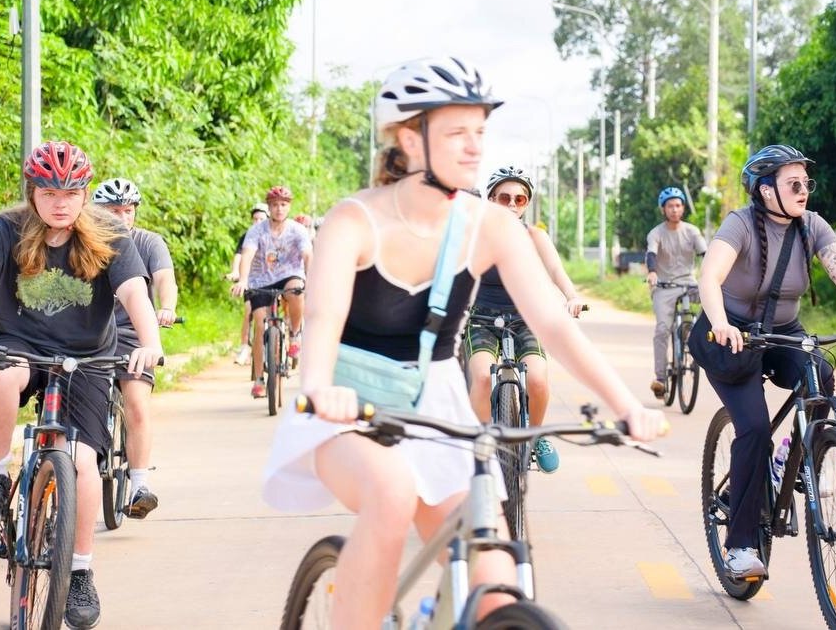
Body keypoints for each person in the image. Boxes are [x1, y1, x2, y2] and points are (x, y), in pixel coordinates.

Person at [262, 57, 665, 629]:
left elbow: (552, 324)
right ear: (410, 139)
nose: (475, 146)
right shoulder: (354, 220)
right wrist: (319, 389)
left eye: (480, 130)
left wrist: (626, 406)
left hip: (436, 402)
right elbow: (323, 319)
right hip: (346, 404)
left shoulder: (491, 225)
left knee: (497, 581)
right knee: (392, 490)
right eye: (457, 132)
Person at [0, 141, 163, 629]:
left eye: (72, 191)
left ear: (83, 194)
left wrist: (150, 340)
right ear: (33, 192)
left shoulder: (109, 234)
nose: (61, 201)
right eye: (50, 191)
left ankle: (79, 573)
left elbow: (134, 292)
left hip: (87, 358)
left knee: (80, 462)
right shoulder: (5, 230)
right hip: (18, 343)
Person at [694, 144, 836, 579]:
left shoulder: (812, 226)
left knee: (821, 375)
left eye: (806, 182)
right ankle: (739, 547)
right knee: (753, 429)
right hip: (730, 334)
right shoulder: (740, 224)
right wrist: (721, 323)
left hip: (782, 331)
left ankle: (792, 457)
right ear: (765, 189)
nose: (803, 189)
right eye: (793, 182)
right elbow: (710, 277)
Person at [467, 166, 586, 473]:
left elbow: (556, 271)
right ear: (491, 199)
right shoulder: (474, 235)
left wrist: (571, 296)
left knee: (537, 380)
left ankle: (534, 436)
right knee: (481, 378)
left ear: (526, 204)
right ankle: (482, 441)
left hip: (525, 319)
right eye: (504, 197)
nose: (511, 204)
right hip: (481, 319)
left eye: (519, 200)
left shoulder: (535, 236)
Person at [91, 177, 178, 519]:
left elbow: (164, 280)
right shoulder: (84, 242)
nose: (122, 218)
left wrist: (166, 307)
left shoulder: (148, 242)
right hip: (89, 335)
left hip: (131, 333)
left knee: (137, 401)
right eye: (113, 211)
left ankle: (140, 484)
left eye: (128, 211)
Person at [230, 186, 311, 398]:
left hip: (288, 273)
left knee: (296, 290)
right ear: (269, 207)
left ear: (289, 207)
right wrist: (244, 279)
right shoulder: (257, 231)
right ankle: (258, 379)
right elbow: (247, 254)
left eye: (283, 205)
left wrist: (311, 279)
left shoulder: (297, 230)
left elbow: (307, 256)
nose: (279, 209)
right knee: (259, 323)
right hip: (260, 279)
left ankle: (294, 335)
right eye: (275, 205)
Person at [645, 185, 707, 400]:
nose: (674, 209)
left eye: (678, 205)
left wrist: (712, 274)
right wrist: (652, 273)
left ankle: (692, 334)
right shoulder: (656, 233)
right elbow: (651, 254)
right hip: (664, 286)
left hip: (689, 284)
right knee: (662, 329)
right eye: (670, 206)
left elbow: (705, 253)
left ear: (683, 208)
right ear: (663, 209)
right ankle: (660, 379)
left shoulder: (692, 231)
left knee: (715, 302)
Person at [228, 202, 269, 368]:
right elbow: (239, 255)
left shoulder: (275, 234)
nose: (258, 222)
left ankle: (277, 342)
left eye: (261, 218)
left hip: (273, 279)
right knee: (248, 310)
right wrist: (235, 272)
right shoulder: (248, 236)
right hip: (252, 279)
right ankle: (245, 346)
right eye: (255, 219)